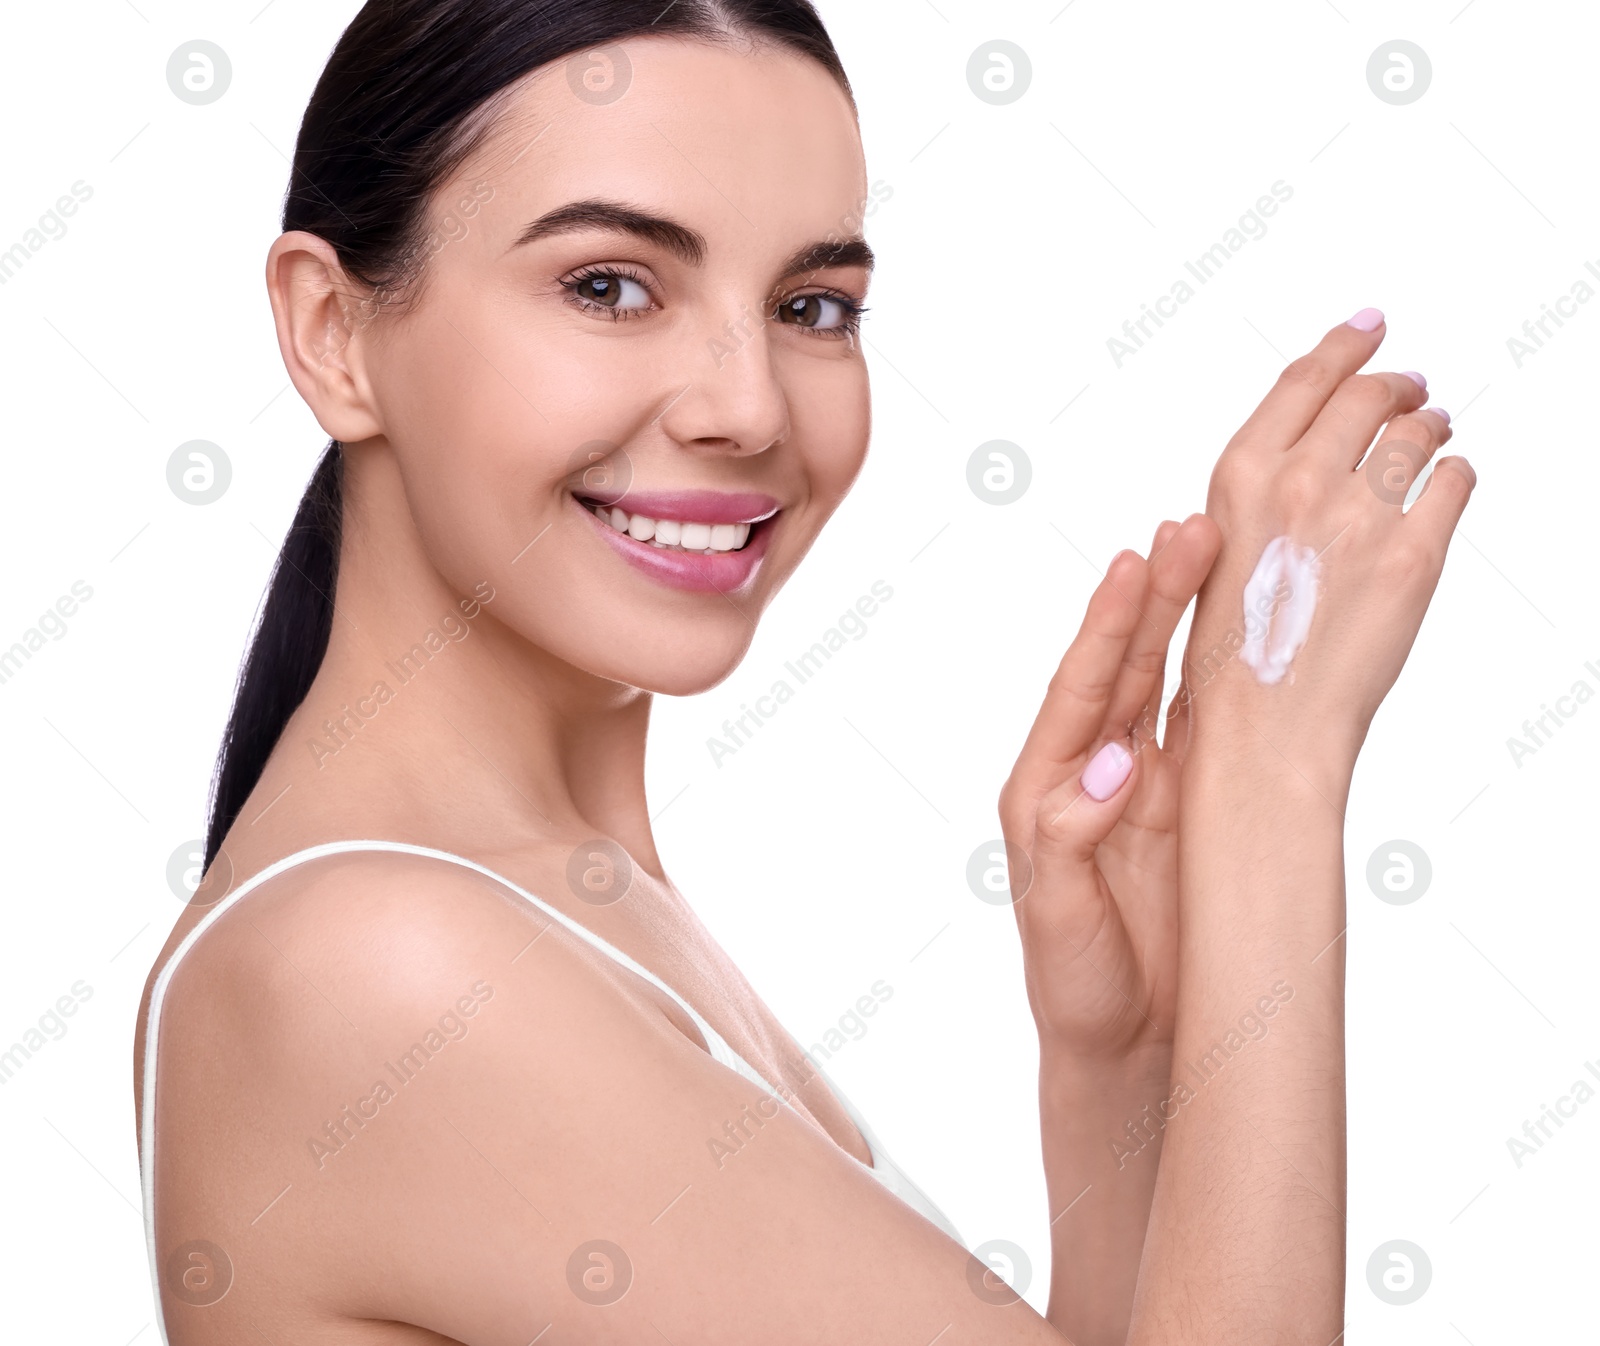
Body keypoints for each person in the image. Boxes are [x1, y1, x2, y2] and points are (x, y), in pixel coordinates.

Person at [134, 2, 1476, 1341]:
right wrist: (1272, 781)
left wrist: (1117, 1063)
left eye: (810, 305)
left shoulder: (558, 909)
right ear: (331, 330)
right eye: (609, 284)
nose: (752, 405)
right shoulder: (379, 971)